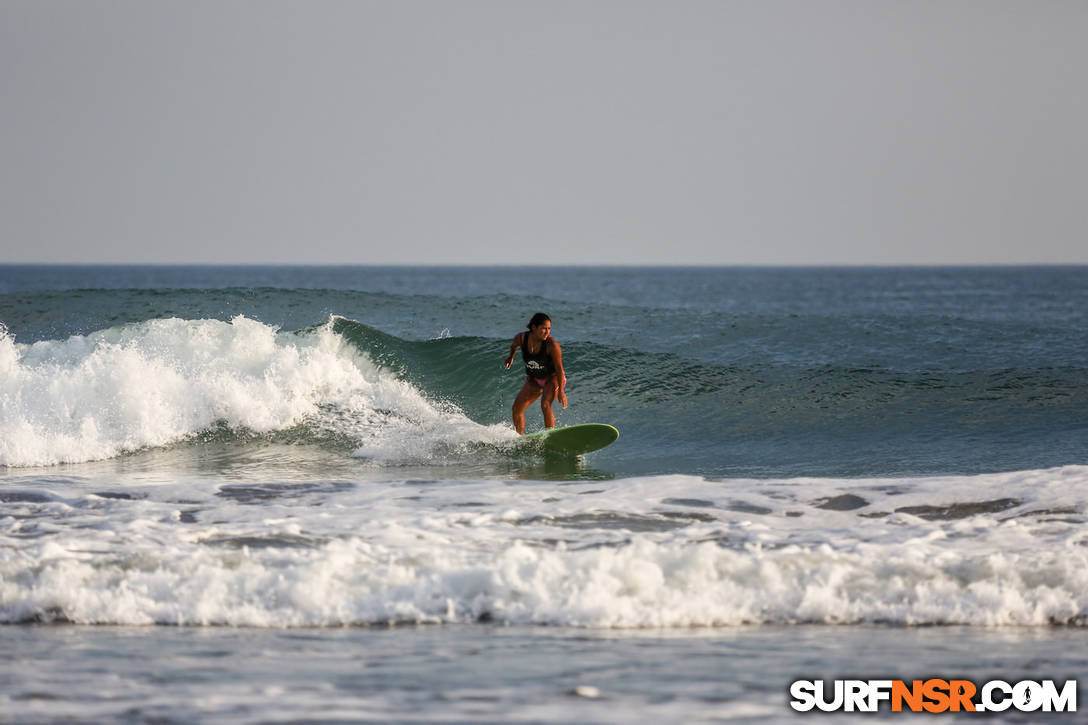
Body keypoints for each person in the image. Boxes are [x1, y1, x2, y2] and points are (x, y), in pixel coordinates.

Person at [503, 312, 567, 434]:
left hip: (552, 377)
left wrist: (562, 392)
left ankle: (549, 435)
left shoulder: (552, 345)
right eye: (543, 328)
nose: (547, 332)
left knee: (545, 404)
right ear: (534, 328)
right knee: (516, 409)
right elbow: (514, 345)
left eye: (549, 329)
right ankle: (519, 438)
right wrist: (511, 357)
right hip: (534, 379)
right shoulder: (521, 338)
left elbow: (559, 369)